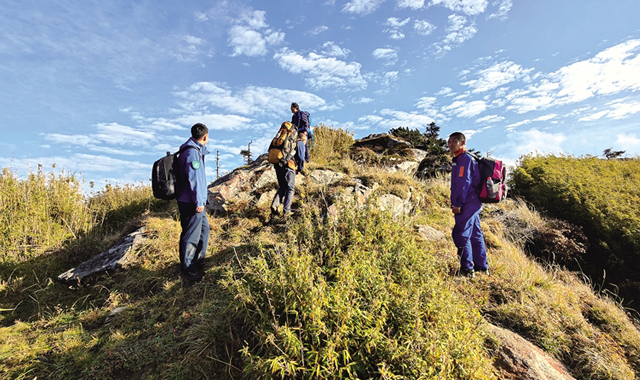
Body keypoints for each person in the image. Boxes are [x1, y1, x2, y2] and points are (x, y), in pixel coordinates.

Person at [448, 132, 488, 278]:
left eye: (454, 141)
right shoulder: (462, 158)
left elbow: (462, 183)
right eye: (449, 141)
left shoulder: (464, 159)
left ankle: (467, 269)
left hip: (467, 202)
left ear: (462, 143)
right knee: (475, 234)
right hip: (474, 202)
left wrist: (457, 203)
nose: (450, 144)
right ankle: (482, 267)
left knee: (460, 233)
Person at [177, 123, 210, 282]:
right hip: (191, 202)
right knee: (191, 235)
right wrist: (199, 201)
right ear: (205, 136)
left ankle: (198, 261)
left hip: (197, 201)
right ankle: (188, 269)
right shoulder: (191, 152)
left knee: (204, 230)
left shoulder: (195, 150)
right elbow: (194, 179)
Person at [270, 122, 299, 221]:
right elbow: (295, 153)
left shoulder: (278, 136)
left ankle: (275, 205)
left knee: (282, 187)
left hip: (277, 165)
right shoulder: (291, 137)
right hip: (288, 165)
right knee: (290, 189)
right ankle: (287, 211)